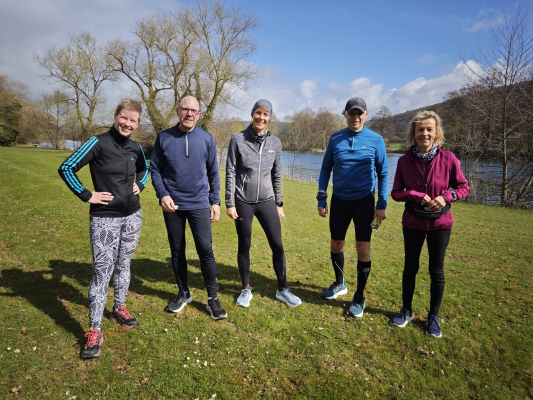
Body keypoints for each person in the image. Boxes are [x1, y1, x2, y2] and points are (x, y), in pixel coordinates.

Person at [58, 99, 149, 359]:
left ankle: (119, 309)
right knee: (101, 272)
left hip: (132, 217)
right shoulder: (97, 143)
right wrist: (87, 195)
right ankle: (94, 330)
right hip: (104, 220)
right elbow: (67, 167)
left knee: (124, 264)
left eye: (133, 120)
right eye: (124, 118)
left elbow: (146, 169)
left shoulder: (136, 147)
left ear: (137, 123)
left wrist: (141, 184)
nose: (127, 123)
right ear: (115, 117)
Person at [390, 110, 469, 337]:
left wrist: (446, 197)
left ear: (436, 133)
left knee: (436, 271)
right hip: (413, 223)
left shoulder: (449, 158)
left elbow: (463, 187)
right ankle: (406, 310)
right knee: (410, 268)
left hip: (440, 225)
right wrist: (414, 195)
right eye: (420, 129)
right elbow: (396, 193)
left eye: (429, 129)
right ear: (413, 133)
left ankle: (433, 316)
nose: (424, 133)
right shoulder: (404, 161)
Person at [150, 96, 226, 320]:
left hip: (199, 203)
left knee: (206, 251)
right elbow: (155, 169)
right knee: (177, 250)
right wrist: (163, 194)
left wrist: (215, 201)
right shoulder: (164, 137)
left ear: (199, 115)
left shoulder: (207, 139)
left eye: (194, 111)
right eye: (185, 109)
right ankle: (183, 293)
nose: (189, 114)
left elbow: (213, 172)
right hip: (172, 205)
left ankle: (212, 299)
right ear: (177, 111)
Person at [225, 99, 302, 308]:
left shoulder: (275, 143)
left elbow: (277, 175)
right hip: (243, 200)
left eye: (266, 114)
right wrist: (230, 202)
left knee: (277, 244)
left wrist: (279, 202)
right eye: (258, 113)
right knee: (245, 245)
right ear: (253, 115)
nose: (261, 117)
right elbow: (230, 171)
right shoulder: (238, 139)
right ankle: (245, 288)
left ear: (269, 118)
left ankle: (283, 289)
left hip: (267, 200)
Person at [317, 97, 388, 317]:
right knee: (336, 244)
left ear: (366, 114)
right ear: (345, 114)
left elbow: (383, 173)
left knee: (362, 248)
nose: (355, 117)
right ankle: (340, 283)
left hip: (364, 202)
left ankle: (359, 295)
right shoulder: (335, 138)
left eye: (359, 113)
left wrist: (381, 204)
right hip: (339, 200)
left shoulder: (376, 140)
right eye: (351, 113)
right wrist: (321, 197)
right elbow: (326, 168)